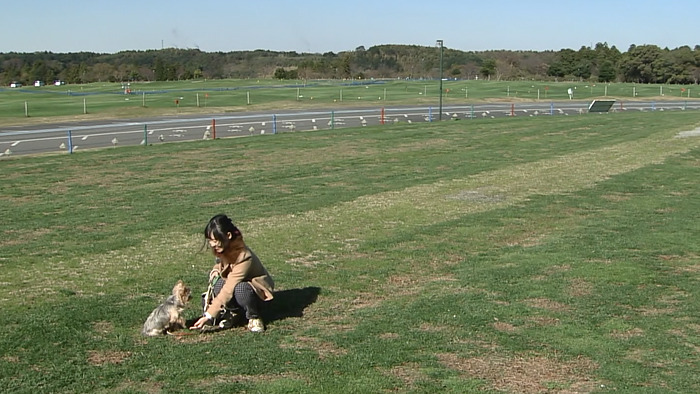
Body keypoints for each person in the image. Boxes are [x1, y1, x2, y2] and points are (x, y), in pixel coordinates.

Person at [190, 214, 274, 333]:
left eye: (214, 240)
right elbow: (221, 265)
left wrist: (209, 315)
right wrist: (215, 271)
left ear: (228, 236)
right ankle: (234, 312)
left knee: (241, 289)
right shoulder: (224, 248)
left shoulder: (244, 257)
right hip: (237, 289)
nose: (211, 244)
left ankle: (254, 316)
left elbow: (229, 287)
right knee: (218, 284)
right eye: (210, 240)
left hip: (257, 295)